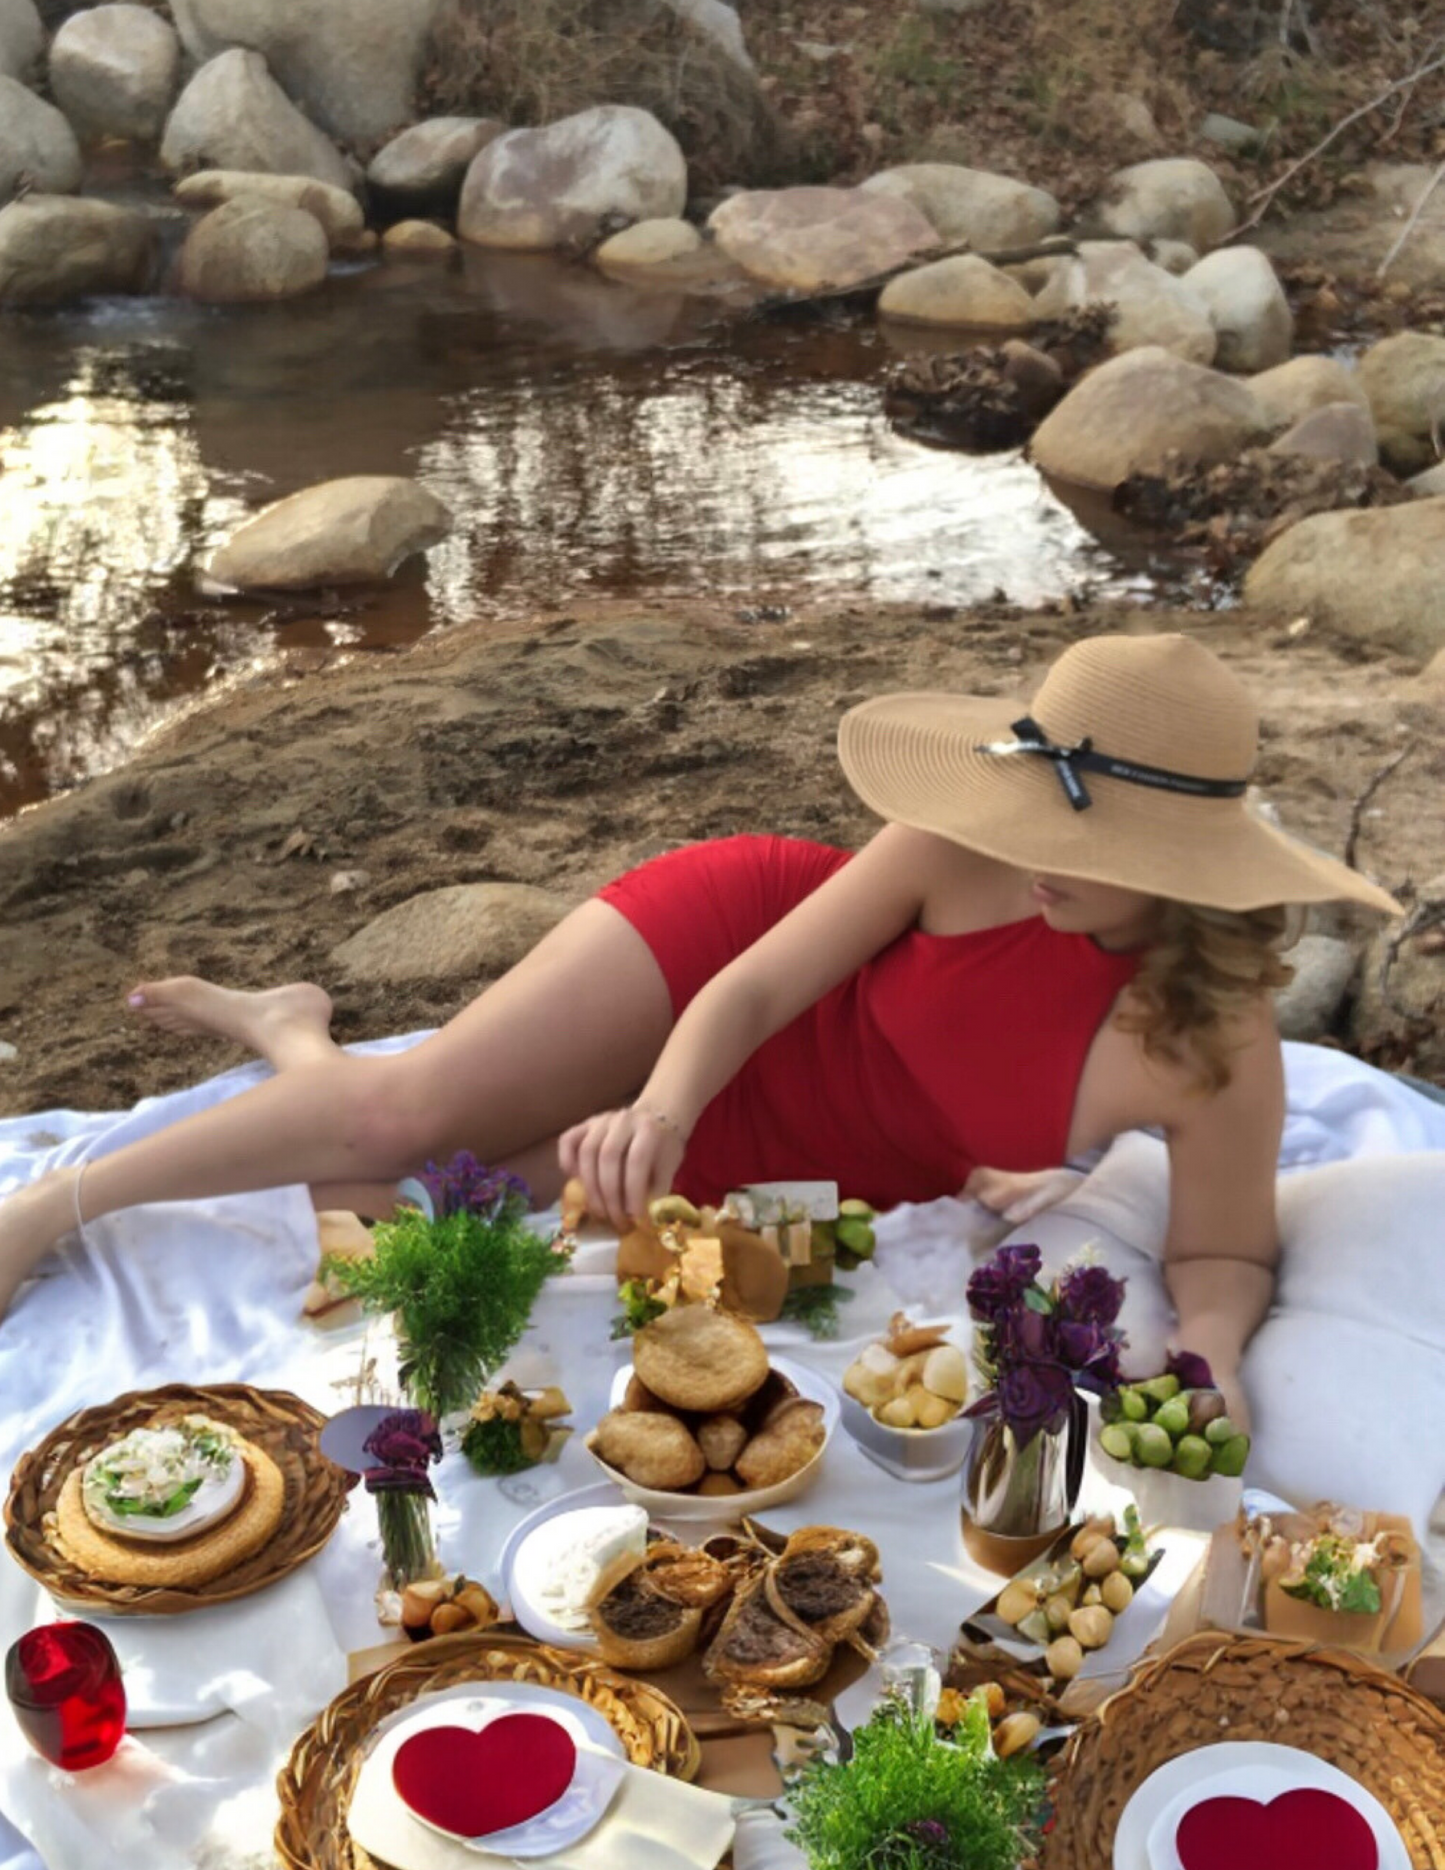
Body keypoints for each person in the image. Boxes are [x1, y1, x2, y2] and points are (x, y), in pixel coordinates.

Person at [0, 634, 1399, 1424]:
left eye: (1069, 842)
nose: (1025, 850)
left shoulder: (1219, 1047)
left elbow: (1224, 1247)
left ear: (1173, 863)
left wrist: (1208, 1356)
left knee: (406, 1213)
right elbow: (754, 990)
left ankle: (296, 1036)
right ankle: (51, 1205)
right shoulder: (964, 840)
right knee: (404, 1114)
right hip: (715, 966)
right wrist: (658, 1108)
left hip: (809, 1159)